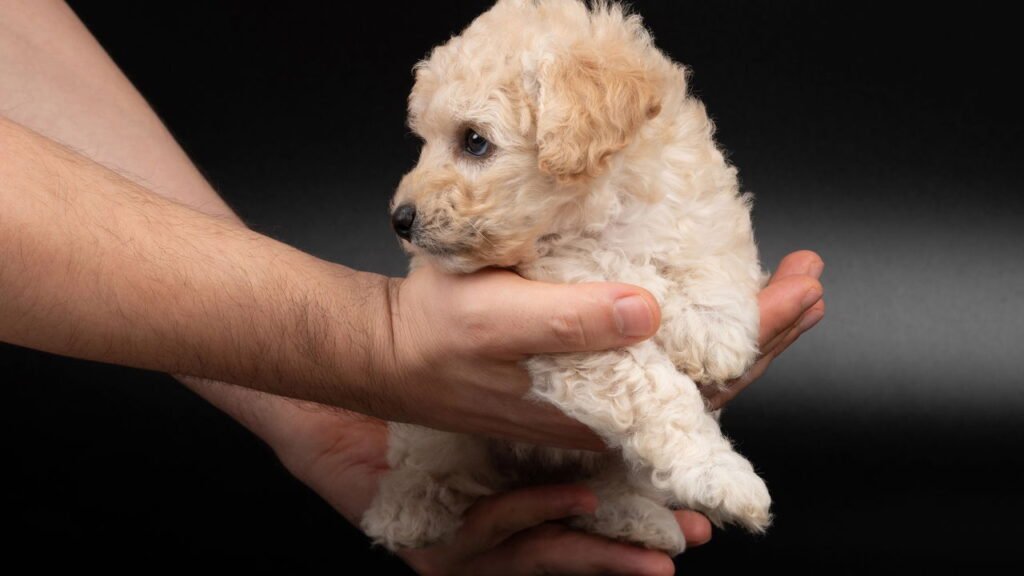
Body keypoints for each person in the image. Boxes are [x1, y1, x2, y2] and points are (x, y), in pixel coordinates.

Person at [0, 2, 825, 574]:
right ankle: (447, 478)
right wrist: (371, 346)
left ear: (588, 127)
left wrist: (323, 418)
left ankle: (595, 490)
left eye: (472, 141)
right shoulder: (528, 236)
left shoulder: (637, 158)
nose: (409, 195)